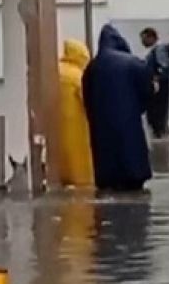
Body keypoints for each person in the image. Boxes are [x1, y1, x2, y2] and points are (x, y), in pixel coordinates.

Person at [82, 24, 153, 191]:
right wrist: (139, 108)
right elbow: (147, 91)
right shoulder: (133, 63)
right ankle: (134, 177)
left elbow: (86, 97)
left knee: (107, 162)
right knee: (132, 154)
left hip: (102, 126)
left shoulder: (92, 67)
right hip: (129, 121)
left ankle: (111, 180)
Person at [57, 39, 94, 187]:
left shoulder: (57, 70)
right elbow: (87, 99)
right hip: (76, 122)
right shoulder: (77, 75)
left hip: (56, 121)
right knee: (78, 158)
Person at [140, 27, 169, 139]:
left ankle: (160, 132)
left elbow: (162, 67)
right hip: (160, 87)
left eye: (144, 39)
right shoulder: (157, 51)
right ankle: (160, 131)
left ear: (151, 37)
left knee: (157, 113)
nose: (142, 42)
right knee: (159, 113)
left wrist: (156, 79)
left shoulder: (158, 50)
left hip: (159, 88)